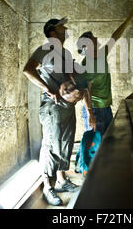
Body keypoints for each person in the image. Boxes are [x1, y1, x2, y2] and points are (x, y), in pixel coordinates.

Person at [23, 17, 96, 206]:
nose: (65, 30)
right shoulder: (45, 49)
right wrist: (48, 89)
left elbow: (75, 74)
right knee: (50, 145)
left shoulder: (65, 53)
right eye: (61, 28)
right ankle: (48, 186)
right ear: (52, 32)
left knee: (64, 143)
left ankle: (62, 181)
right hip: (51, 106)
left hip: (66, 106)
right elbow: (28, 70)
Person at [75, 10, 133, 175]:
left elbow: (114, 37)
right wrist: (90, 115)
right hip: (94, 110)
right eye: (93, 39)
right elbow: (86, 92)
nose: (96, 39)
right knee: (94, 146)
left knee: (106, 143)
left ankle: (102, 174)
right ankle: (88, 176)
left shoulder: (101, 55)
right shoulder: (86, 64)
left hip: (105, 107)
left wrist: (129, 17)